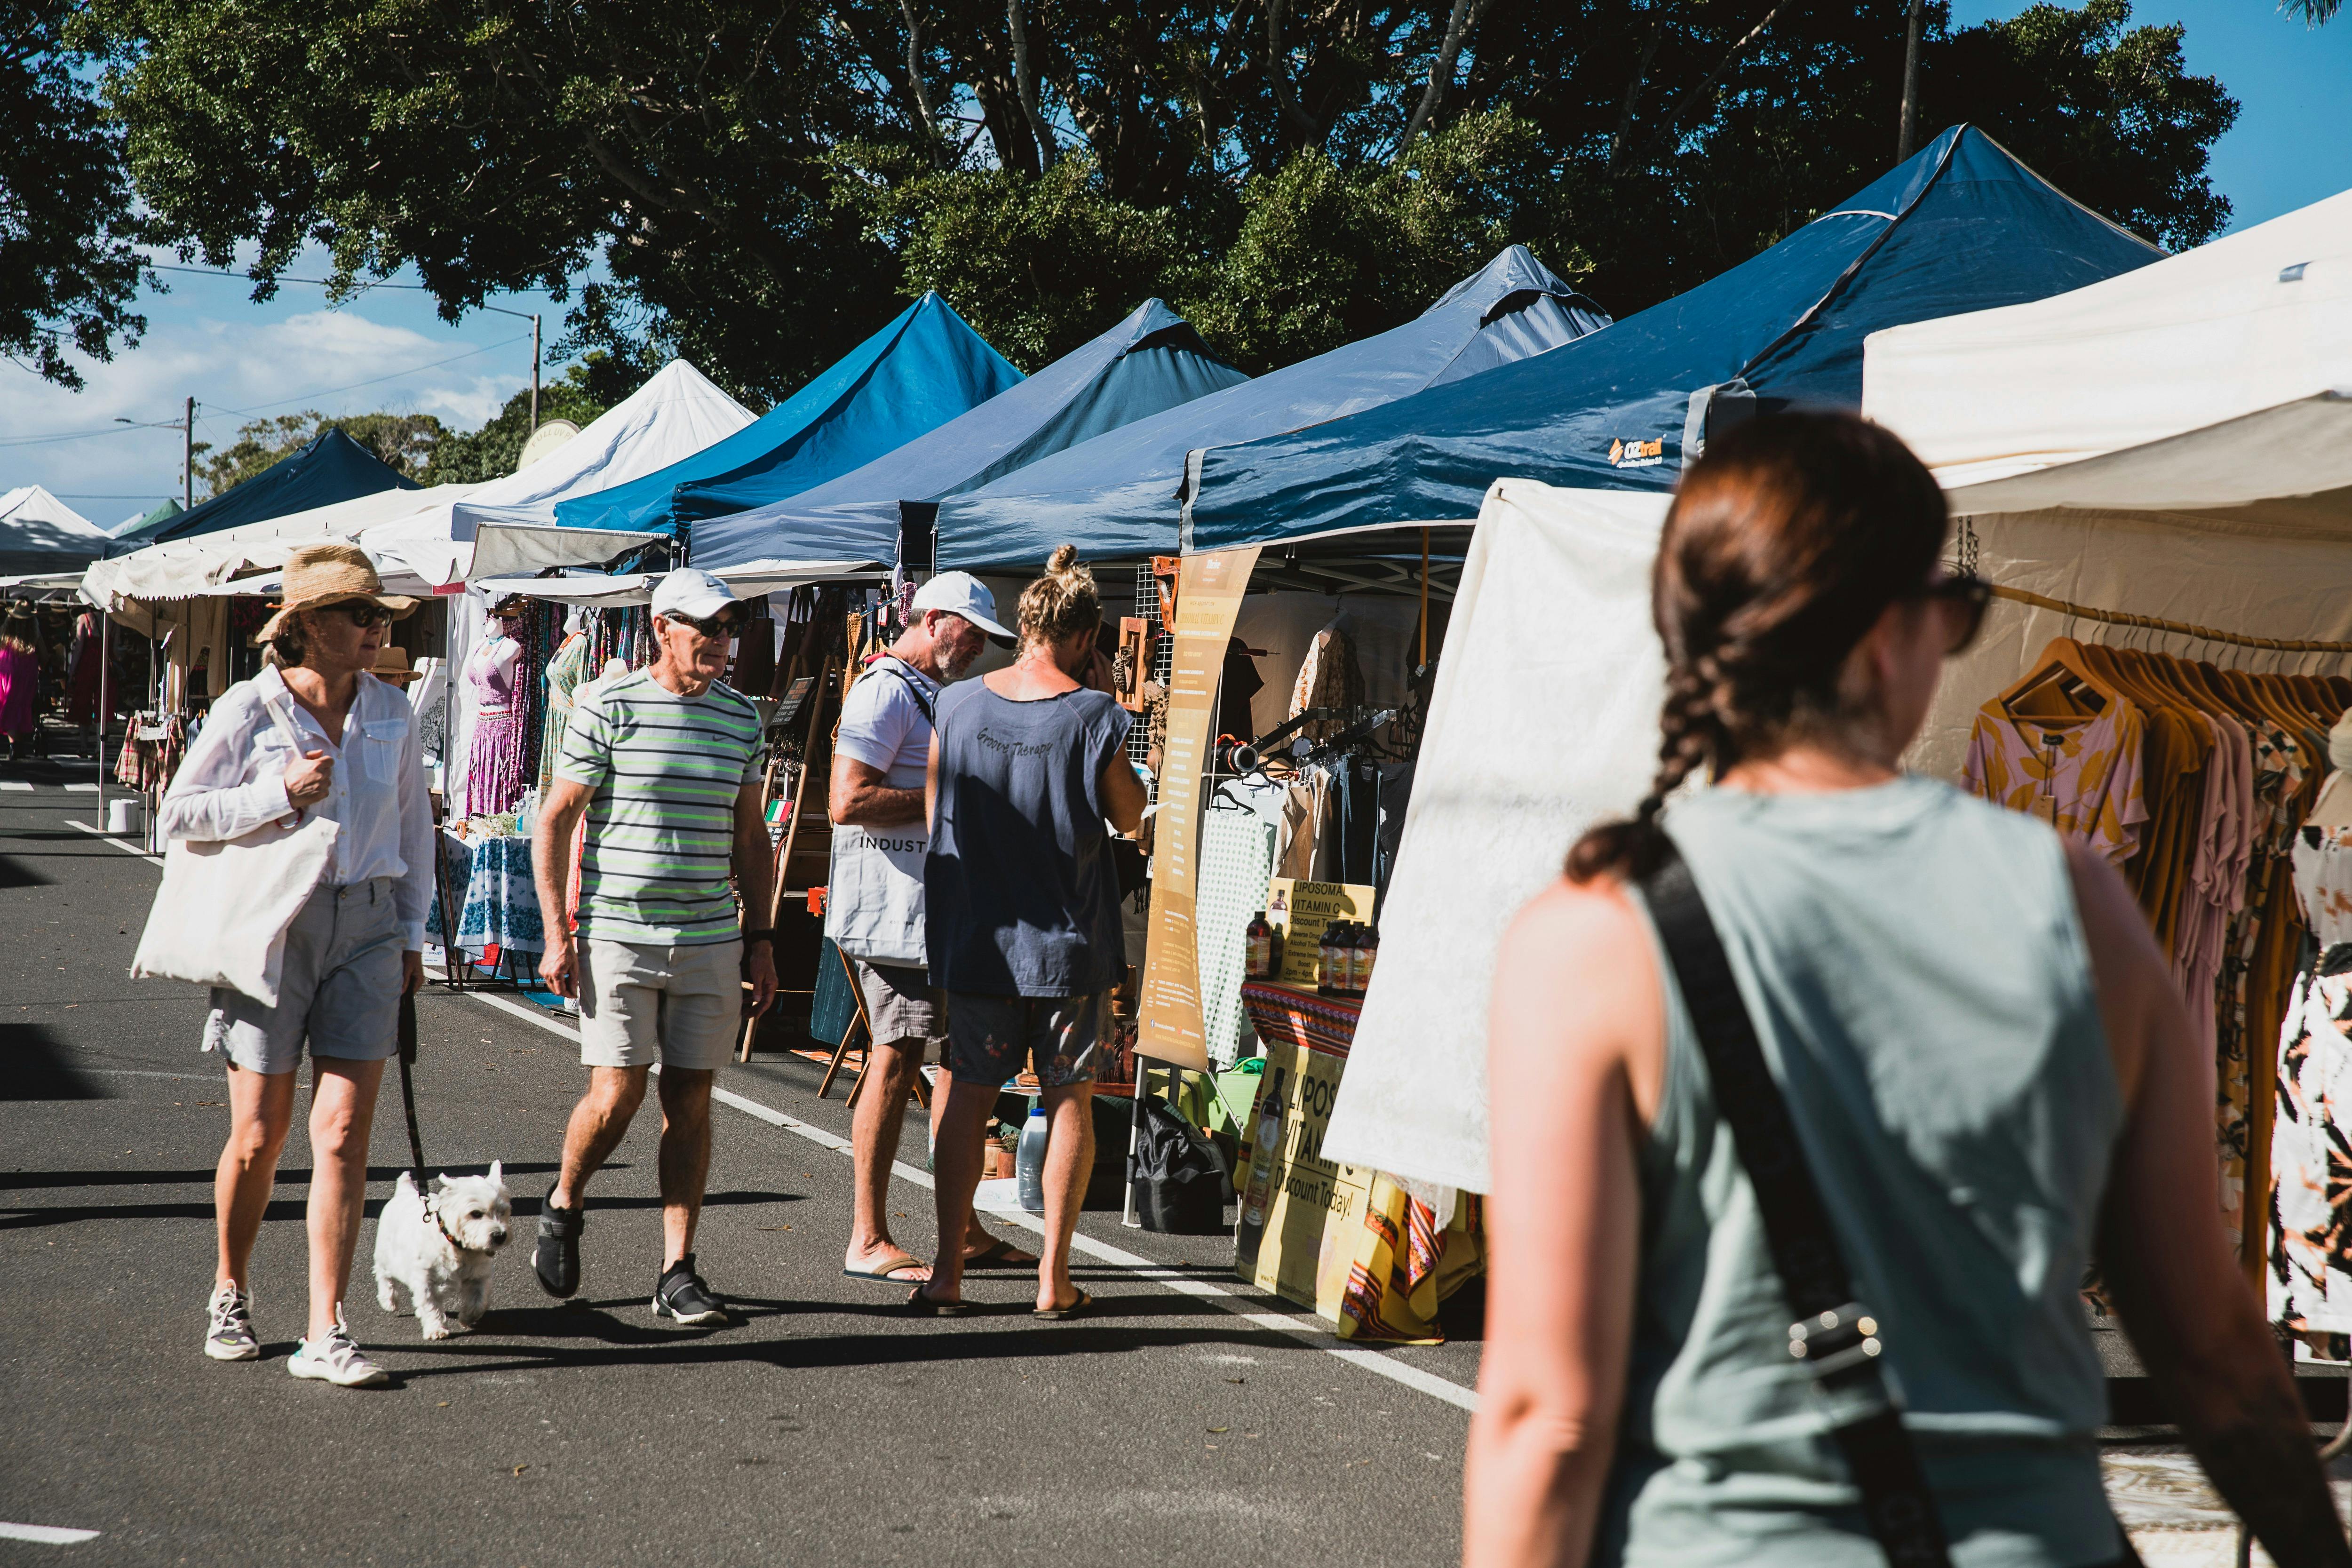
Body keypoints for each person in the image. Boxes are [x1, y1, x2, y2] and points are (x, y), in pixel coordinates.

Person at [1467, 412, 2352, 1568]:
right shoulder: (2075, 901)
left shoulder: (1592, 938)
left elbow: (1549, 1413)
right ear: (1888, 636)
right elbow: (2213, 1356)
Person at [163, 543, 432, 1387]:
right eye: (362, 614)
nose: (376, 629)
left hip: (368, 924)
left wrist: (414, 936)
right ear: (309, 625)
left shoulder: (395, 708)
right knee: (259, 1134)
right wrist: (277, 793)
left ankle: (327, 1327)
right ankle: (231, 1290)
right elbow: (181, 813)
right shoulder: (251, 707)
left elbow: (414, 826)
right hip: (273, 924)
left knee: (345, 1135)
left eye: (381, 616)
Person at [530, 569, 779, 1325]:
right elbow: (556, 820)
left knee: (692, 1100)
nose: (720, 642)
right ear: (661, 626)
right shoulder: (607, 705)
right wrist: (555, 934)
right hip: (618, 933)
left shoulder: (741, 717)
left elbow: (750, 836)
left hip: (710, 936)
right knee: (618, 1095)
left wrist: (762, 940)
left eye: (729, 628)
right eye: (705, 627)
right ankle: (565, 1201)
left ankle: (677, 1269)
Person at [914, 546, 1148, 1317]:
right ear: (1084, 636)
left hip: (979, 941)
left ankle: (947, 1269)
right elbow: (1130, 818)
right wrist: (1108, 699)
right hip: (1067, 946)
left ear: (1025, 627)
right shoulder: (1094, 715)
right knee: (1068, 1095)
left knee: (968, 1097)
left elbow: (932, 817)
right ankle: (1053, 1277)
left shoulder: (954, 703)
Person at [828, 571, 1038, 1285]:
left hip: (933, 917)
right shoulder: (885, 687)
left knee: (952, 1065)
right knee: (895, 1059)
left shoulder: (925, 692)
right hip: (894, 917)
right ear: (935, 619)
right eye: (972, 632)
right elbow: (846, 799)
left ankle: (964, 1228)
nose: (979, 648)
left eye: (987, 639)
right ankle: (867, 1236)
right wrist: (949, 796)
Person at [0, 610, 38, 761]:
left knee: (10, 704)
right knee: (23, 704)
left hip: (7, 668)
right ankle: (17, 746)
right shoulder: (33, 636)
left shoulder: (5, 634)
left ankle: (15, 746)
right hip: (28, 669)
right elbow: (45, 655)